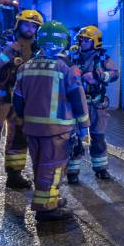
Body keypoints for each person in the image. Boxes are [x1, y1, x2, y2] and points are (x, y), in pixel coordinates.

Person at [12, 20, 88, 221]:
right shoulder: (66, 67)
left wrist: (23, 119)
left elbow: (17, 99)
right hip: (57, 129)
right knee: (53, 167)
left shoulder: (25, 67)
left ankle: (50, 198)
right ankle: (46, 208)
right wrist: (83, 126)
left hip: (32, 128)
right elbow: (77, 98)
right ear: (64, 42)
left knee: (39, 165)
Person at [0, 8, 42, 196]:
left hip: (22, 100)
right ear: (18, 24)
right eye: (26, 24)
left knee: (19, 138)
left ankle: (14, 175)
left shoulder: (38, 48)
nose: (30, 29)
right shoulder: (3, 41)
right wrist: (9, 51)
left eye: (34, 26)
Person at [66, 25, 119, 183]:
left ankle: (101, 169)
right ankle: (72, 172)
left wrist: (98, 76)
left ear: (95, 41)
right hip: (76, 105)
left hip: (96, 104)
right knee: (74, 138)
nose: (82, 42)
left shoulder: (103, 58)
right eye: (80, 39)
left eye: (86, 40)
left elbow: (114, 74)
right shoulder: (72, 56)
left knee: (98, 137)